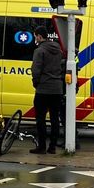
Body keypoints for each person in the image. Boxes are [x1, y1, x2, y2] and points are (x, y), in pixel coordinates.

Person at [30, 25, 64, 154]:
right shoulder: (58, 49)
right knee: (55, 119)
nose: (35, 39)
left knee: (40, 119)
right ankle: (53, 147)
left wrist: (36, 82)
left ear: (39, 36)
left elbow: (36, 69)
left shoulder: (39, 51)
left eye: (35, 36)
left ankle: (42, 146)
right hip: (57, 89)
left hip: (43, 89)